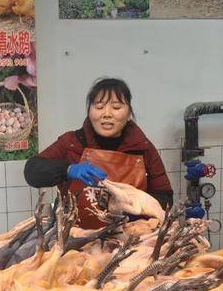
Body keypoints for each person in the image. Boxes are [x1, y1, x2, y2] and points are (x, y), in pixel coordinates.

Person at [24, 77, 173, 228]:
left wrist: (136, 210)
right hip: (76, 235)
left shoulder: (143, 147)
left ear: (129, 114)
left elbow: (165, 196)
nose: (107, 114)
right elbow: (32, 171)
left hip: (129, 235)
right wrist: (67, 169)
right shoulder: (71, 143)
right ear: (89, 112)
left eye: (116, 107)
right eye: (99, 107)